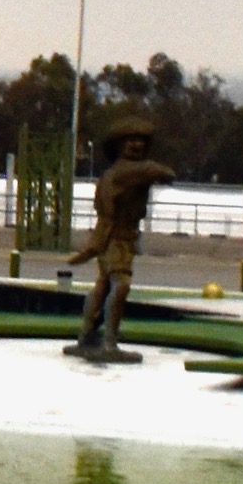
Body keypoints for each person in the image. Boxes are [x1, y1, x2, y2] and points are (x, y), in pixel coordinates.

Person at [64, 117, 176, 364]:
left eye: (140, 141)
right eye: (130, 140)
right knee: (121, 284)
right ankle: (109, 343)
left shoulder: (110, 173)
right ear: (119, 145)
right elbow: (166, 173)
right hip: (119, 237)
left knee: (103, 284)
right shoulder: (132, 170)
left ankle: (86, 336)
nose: (136, 145)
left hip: (107, 236)